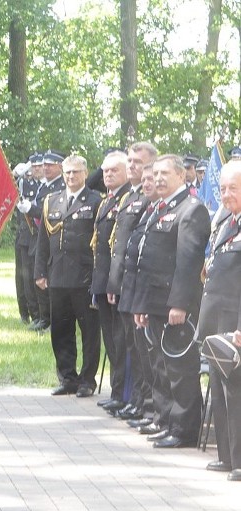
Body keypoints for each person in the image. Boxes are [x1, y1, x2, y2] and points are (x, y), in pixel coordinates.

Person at [130, 154, 210, 448]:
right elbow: (144, 261)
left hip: (175, 306)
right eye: (157, 173)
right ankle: (165, 420)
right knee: (160, 367)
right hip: (154, 303)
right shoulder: (157, 208)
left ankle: (184, 429)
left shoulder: (191, 210)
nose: (159, 178)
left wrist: (180, 304)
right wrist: (141, 304)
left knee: (180, 369)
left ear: (181, 176)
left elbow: (188, 263)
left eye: (166, 173)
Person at [34, 154, 102, 397]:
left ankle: (87, 380)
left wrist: (98, 277)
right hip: (58, 276)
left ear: (85, 173)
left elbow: (100, 243)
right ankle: (67, 378)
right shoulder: (52, 201)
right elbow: (43, 239)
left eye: (75, 172)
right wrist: (40, 271)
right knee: (61, 331)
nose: (71, 176)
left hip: (84, 278)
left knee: (90, 332)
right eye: (68, 172)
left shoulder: (95, 201)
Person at [104, 142, 159, 421]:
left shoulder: (151, 197)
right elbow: (119, 245)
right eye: (130, 160)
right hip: (125, 282)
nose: (132, 166)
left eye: (138, 161)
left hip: (141, 286)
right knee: (129, 346)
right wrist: (114, 282)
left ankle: (144, 403)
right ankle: (135, 400)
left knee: (141, 351)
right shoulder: (129, 197)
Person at [196, 161, 241, 478]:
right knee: (220, 387)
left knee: (236, 391)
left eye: (233, 188)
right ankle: (227, 456)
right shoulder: (225, 219)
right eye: (223, 188)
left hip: (235, 321)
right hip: (215, 319)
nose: (226, 195)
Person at [90, 150, 131, 409]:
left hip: (117, 283)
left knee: (120, 341)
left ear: (126, 172)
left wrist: (114, 283)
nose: (107, 175)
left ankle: (123, 395)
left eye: (114, 170)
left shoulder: (128, 198)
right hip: (103, 281)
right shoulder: (107, 201)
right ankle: (117, 393)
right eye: (105, 171)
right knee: (111, 340)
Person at [22, 149, 66, 332]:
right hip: (37, 236)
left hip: (53, 236)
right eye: (44, 165)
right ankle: (43, 316)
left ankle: (53, 319)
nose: (45, 168)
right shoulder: (45, 186)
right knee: (37, 275)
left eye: (50, 165)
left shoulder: (61, 186)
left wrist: (31, 209)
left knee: (49, 280)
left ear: (59, 166)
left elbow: (53, 212)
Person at [13, 155, 41, 327]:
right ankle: (25, 312)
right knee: (22, 276)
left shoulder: (44, 185)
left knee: (34, 276)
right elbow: (6, 189)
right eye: (35, 166)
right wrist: (15, 174)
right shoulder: (23, 182)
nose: (36, 170)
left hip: (37, 234)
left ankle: (38, 313)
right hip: (24, 233)